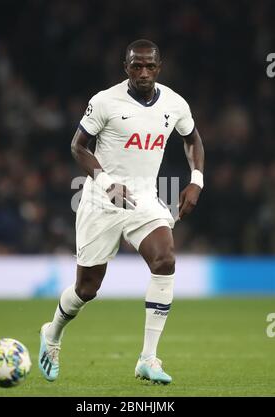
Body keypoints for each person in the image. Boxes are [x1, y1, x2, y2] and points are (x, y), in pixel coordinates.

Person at [38, 39, 204, 384]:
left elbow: (192, 139)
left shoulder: (175, 103)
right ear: (125, 67)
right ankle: (52, 334)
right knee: (87, 289)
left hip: (143, 197)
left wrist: (196, 180)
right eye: (136, 66)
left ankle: (148, 358)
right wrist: (106, 181)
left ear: (159, 67)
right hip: (101, 199)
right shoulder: (105, 101)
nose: (143, 72)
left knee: (165, 260)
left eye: (150, 66)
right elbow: (77, 146)